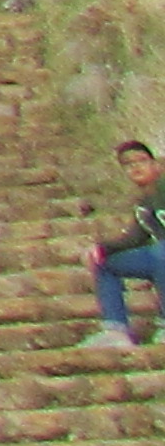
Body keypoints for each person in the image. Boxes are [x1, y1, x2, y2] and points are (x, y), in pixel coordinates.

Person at [96, 139, 165, 349]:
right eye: (128, 164)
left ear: (156, 164)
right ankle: (116, 330)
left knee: (161, 251)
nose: (135, 167)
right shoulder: (143, 206)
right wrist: (100, 249)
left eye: (141, 161)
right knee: (105, 263)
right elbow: (134, 238)